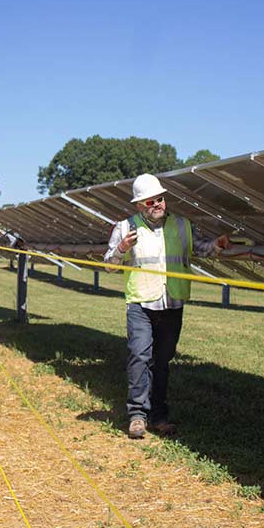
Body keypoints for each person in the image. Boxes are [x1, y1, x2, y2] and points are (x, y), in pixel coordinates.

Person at [104, 173, 229, 439]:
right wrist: (122, 248)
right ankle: (137, 415)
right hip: (141, 302)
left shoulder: (183, 225)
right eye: (150, 202)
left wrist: (217, 245)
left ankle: (159, 416)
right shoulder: (124, 228)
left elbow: (202, 249)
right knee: (140, 356)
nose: (157, 204)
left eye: (160, 199)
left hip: (172, 303)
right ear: (139, 205)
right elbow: (109, 265)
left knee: (162, 361)